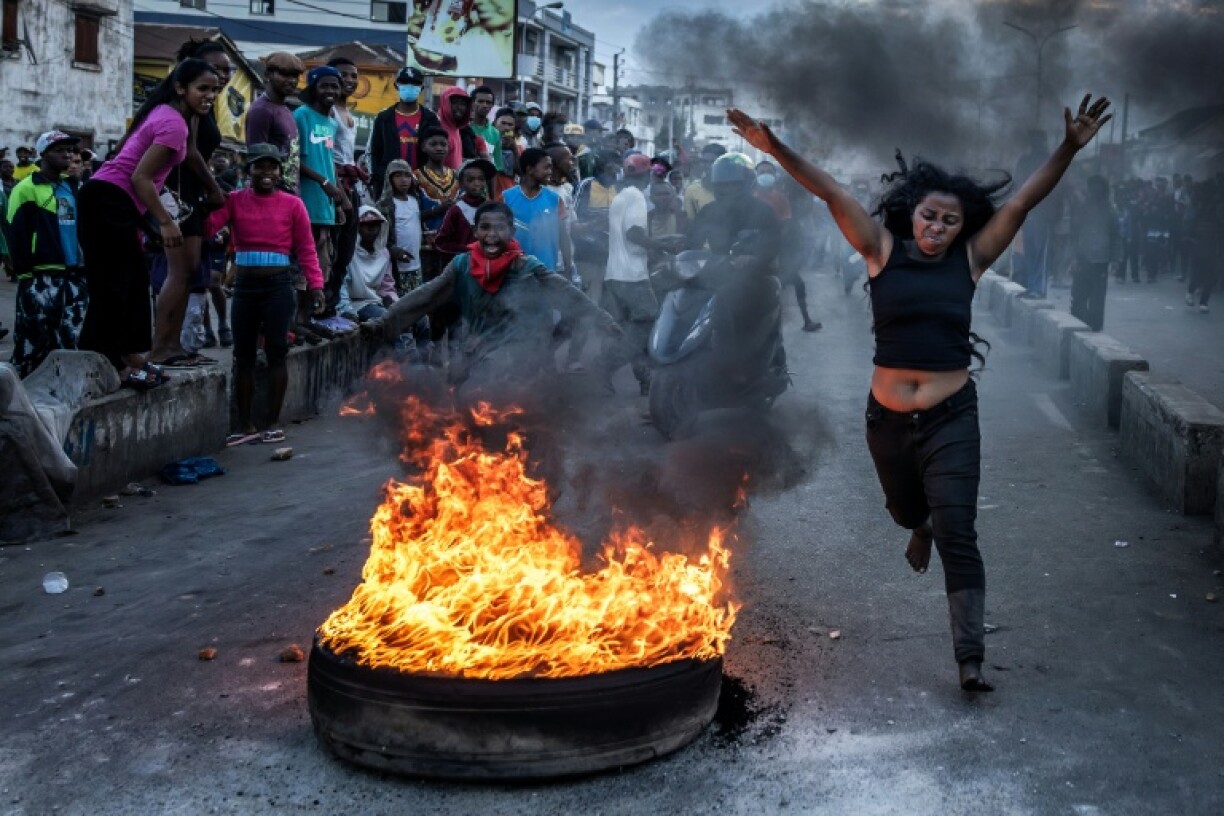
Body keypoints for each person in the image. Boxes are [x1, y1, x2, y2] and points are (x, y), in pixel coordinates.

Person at [728, 93, 1112, 693]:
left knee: (960, 529)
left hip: (953, 415)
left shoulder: (972, 260)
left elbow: (1025, 201)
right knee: (907, 510)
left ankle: (970, 658)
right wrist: (775, 148)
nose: (936, 228)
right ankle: (918, 523)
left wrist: (1068, 147)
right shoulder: (880, 252)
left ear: (965, 227)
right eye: (930, 216)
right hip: (887, 419)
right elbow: (831, 192)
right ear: (912, 213)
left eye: (950, 221)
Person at [367, 201, 620, 387]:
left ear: (511, 232)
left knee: (485, 401)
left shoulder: (527, 267)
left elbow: (569, 295)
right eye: (484, 228)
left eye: (499, 228)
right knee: (454, 397)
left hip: (519, 354)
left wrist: (604, 320)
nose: (491, 235)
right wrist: (383, 324)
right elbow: (424, 297)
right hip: (475, 348)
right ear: (475, 232)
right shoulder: (461, 266)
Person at [77, 58, 220, 388]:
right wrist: (166, 222)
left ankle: (122, 356)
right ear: (180, 88)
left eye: (214, 91)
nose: (209, 96)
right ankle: (116, 362)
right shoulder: (174, 124)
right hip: (107, 200)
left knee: (126, 282)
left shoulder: (171, 116)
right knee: (115, 285)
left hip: (114, 202)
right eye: (202, 89)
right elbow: (140, 177)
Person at [205, 143, 324, 446]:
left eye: (272, 166)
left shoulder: (293, 205)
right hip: (244, 287)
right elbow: (209, 226)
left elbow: (307, 249)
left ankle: (272, 422)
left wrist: (316, 285)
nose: (267, 172)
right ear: (249, 170)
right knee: (242, 355)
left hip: (279, 287)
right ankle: (244, 425)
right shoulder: (233, 201)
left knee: (277, 353)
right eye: (260, 166)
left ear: (280, 170)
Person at [155, 38, 232, 368]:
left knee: (187, 273)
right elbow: (191, 151)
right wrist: (214, 187)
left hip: (188, 193)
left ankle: (176, 345)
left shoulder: (206, 99)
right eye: (217, 69)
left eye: (227, 70)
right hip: (173, 192)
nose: (224, 76)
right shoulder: (184, 101)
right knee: (178, 272)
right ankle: (162, 347)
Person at [6, 131, 87, 377]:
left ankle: (61, 392)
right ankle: (22, 397)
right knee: (33, 340)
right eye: (59, 150)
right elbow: (15, 233)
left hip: (73, 274)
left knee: (70, 338)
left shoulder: (70, 187)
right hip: (41, 276)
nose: (67, 155)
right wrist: (25, 274)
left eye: (70, 150)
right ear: (42, 154)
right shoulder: (26, 189)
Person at [600, 154, 675, 395]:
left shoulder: (620, 197)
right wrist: (664, 246)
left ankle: (645, 381)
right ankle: (604, 366)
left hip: (615, 274)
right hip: (632, 277)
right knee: (645, 328)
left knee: (634, 329)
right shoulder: (637, 197)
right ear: (648, 174)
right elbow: (633, 234)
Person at [294, 65, 353, 341]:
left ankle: (307, 318)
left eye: (335, 87)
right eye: (325, 86)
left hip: (326, 203)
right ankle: (296, 320)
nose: (331, 91)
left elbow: (329, 162)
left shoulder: (330, 122)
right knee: (304, 264)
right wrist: (323, 183)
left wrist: (339, 193)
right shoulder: (302, 116)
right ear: (313, 88)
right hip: (307, 200)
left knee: (321, 263)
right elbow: (296, 161)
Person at [758, 161, 821, 332]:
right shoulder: (751, 197)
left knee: (796, 283)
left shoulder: (780, 198)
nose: (765, 175)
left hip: (779, 250)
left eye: (768, 172)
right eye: (762, 171)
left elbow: (785, 226)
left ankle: (806, 320)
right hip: (755, 252)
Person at [327, 57, 366, 309]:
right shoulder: (329, 113)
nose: (349, 80)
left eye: (353, 75)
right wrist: (338, 190)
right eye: (344, 75)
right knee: (331, 248)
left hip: (351, 186)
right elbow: (328, 154)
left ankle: (333, 306)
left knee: (346, 251)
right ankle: (324, 305)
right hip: (334, 186)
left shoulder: (347, 111)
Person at [367, 66, 441, 198]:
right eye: (404, 82)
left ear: (421, 88)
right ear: (396, 86)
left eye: (414, 83)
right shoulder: (384, 118)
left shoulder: (430, 119)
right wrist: (379, 180)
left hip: (422, 185)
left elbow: (437, 151)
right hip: (389, 186)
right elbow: (375, 153)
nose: (409, 86)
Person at [503, 148, 568, 276]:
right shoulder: (506, 198)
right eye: (546, 168)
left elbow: (564, 237)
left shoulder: (555, 199)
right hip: (514, 272)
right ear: (530, 169)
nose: (550, 172)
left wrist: (569, 270)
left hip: (546, 271)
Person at [246, 51, 305, 190]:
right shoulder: (261, 110)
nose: (291, 80)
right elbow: (256, 159)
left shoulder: (285, 109)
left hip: (289, 194)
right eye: (284, 74)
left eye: (295, 76)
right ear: (267, 75)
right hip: (271, 196)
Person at [1069, 175, 1120, 332]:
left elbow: (1074, 234)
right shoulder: (1109, 210)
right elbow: (1116, 237)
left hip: (1090, 259)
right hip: (1093, 260)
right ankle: (1092, 327)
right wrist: (1116, 259)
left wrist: (1116, 259)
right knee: (1093, 298)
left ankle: (1085, 326)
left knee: (1082, 297)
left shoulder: (1088, 208)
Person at [377, 159, 429, 295]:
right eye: (398, 175)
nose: (403, 180)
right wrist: (393, 250)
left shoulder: (415, 200)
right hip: (395, 267)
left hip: (415, 264)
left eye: (407, 175)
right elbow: (379, 238)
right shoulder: (385, 205)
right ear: (389, 178)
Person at [338, 206, 398, 323]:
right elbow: (342, 285)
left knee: (417, 318)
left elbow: (387, 286)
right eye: (367, 225)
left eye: (376, 224)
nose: (372, 229)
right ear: (358, 227)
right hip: (356, 304)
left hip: (376, 301)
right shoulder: (349, 253)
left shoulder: (383, 253)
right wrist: (347, 311)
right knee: (389, 320)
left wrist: (392, 299)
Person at [436, 86, 485, 169]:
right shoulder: (437, 127)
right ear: (445, 103)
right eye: (455, 102)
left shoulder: (456, 128)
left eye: (463, 104)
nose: (459, 107)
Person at [684, 143, 727, 221]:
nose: (708, 165)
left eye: (713, 161)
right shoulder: (692, 190)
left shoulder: (734, 188)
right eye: (705, 161)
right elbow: (691, 221)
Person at [469, 86, 502, 173]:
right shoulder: (464, 129)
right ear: (472, 103)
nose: (485, 105)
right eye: (480, 101)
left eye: (488, 102)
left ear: (492, 106)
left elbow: (496, 167)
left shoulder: (495, 133)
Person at [490, 107, 521, 200]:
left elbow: (522, 172)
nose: (507, 128)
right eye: (503, 123)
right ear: (495, 123)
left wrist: (514, 150)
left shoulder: (519, 148)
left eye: (510, 124)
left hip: (510, 197)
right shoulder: (486, 142)